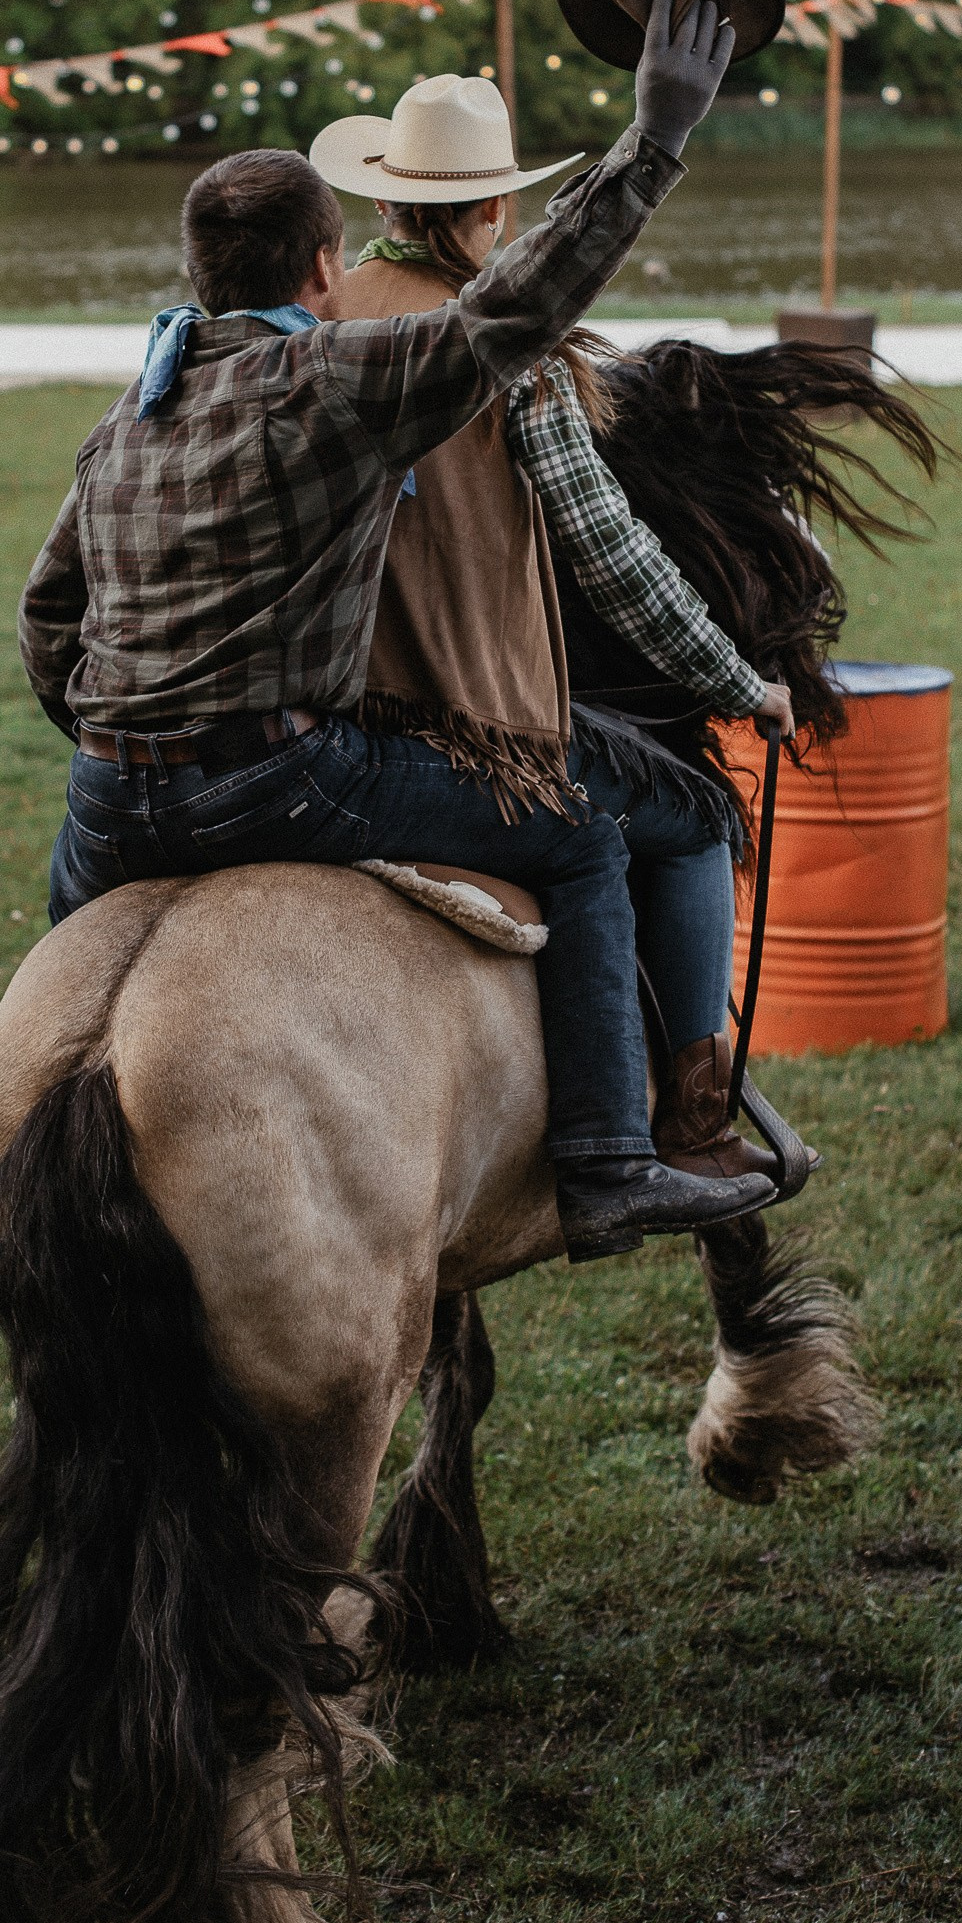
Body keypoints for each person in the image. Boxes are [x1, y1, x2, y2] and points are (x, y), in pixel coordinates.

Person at [19, 0, 778, 1263]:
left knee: (63, 1019)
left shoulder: (126, 418)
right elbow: (511, 315)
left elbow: (49, 615)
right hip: (278, 774)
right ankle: (604, 1163)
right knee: (586, 840)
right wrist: (650, 143)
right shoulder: (325, 377)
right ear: (319, 268)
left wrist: (119, 728)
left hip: (105, 796)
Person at [338, 181, 791, 1182]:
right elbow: (609, 553)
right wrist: (734, 679)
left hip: (320, 728)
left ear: (384, 200)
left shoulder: (317, 312)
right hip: (467, 722)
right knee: (696, 820)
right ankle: (694, 1122)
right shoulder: (506, 342)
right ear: (492, 205)